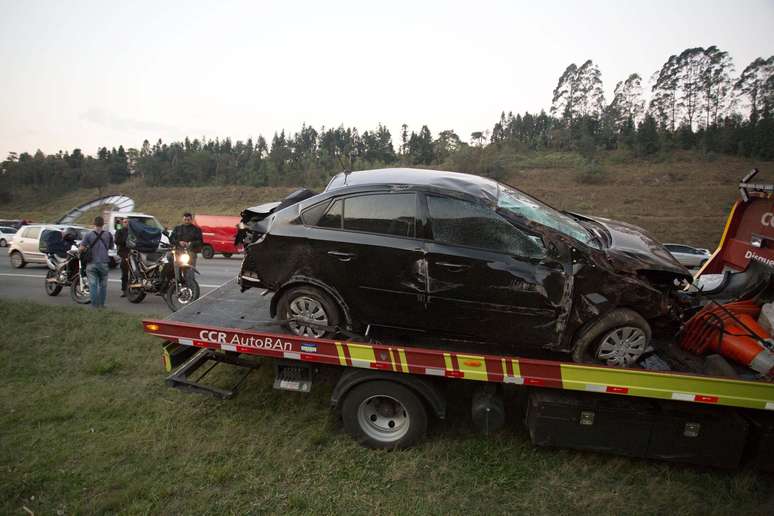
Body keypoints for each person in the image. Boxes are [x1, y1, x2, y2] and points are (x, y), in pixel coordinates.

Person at [79, 216, 115, 308]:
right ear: (103, 224)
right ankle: (102, 305)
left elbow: (81, 248)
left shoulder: (88, 234)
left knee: (93, 285)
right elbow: (111, 247)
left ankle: (94, 306)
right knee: (103, 286)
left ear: (94, 223)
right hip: (104, 263)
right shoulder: (108, 234)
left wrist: (85, 248)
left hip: (91, 263)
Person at [114, 217, 130, 297]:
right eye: (125, 222)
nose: (126, 223)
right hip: (124, 254)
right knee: (125, 273)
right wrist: (126, 240)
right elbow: (117, 241)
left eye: (127, 222)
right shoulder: (120, 231)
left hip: (132, 253)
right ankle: (124, 290)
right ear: (122, 223)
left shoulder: (132, 231)